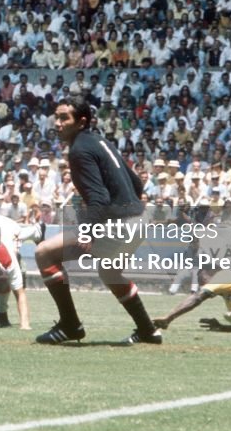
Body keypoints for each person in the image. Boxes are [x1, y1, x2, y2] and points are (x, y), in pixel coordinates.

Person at [33, 96, 161, 346]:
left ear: (81, 122)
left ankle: (70, 325)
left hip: (119, 223)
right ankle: (148, 330)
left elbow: (99, 197)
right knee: (109, 271)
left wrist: (88, 233)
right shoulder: (101, 142)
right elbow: (136, 183)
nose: (57, 123)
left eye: (64, 118)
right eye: (56, 117)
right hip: (138, 220)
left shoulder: (80, 150)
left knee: (44, 253)